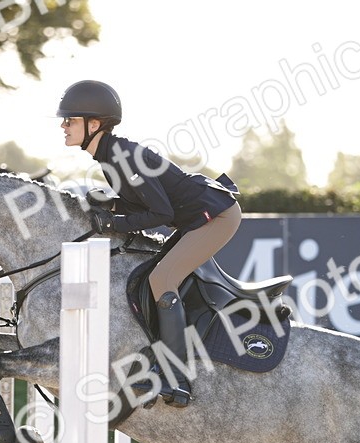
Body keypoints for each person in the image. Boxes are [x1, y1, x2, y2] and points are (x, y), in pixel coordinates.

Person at [57, 80, 241, 407]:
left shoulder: (122, 156)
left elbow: (160, 212)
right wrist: (112, 205)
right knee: (152, 278)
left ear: (94, 124)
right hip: (198, 217)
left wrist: (112, 222)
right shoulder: (111, 156)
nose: (63, 126)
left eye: (70, 120)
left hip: (217, 216)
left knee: (162, 279)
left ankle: (177, 377)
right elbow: (144, 205)